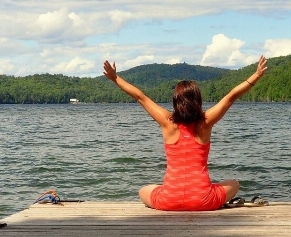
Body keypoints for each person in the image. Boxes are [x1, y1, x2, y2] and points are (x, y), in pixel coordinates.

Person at [102, 55, 268, 211]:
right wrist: (257, 76)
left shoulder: (168, 123)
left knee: (143, 190)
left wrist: (115, 78)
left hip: (169, 201)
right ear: (198, 101)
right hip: (203, 200)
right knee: (235, 183)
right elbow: (231, 97)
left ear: (176, 101)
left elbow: (140, 97)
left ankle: (172, 191)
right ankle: (221, 200)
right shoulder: (205, 122)